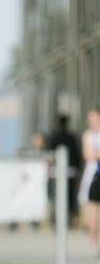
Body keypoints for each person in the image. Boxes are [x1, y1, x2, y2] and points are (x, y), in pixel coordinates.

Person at [47, 114, 82, 226]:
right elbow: (77, 154)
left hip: (56, 171)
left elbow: (50, 154)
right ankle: (69, 219)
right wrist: (77, 169)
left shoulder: (54, 137)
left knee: (57, 195)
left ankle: (56, 219)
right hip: (70, 171)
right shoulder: (71, 137)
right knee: (70, 195)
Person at [78, 107, 100, 256]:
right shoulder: (88, 135)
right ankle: (95, 243)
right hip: (93, 175)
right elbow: (89, 155)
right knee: (91, 212)